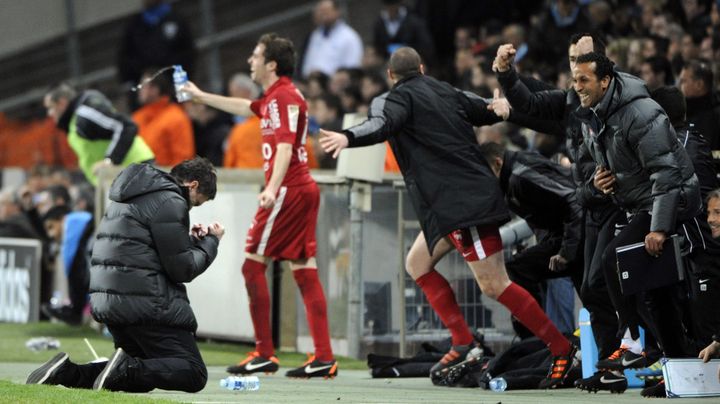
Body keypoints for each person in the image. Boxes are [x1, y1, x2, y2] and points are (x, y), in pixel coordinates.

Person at [319, 46, 577, 389]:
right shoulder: (445, 89)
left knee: (493, 285)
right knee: (417, 264)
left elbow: (382, 125)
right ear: (422, 69)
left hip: (463, 206)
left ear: (391, 77)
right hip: (451, 205)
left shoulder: (392, 99)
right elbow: (483, 109)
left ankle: (561, 349)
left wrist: (347, 137)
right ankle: (462, 342)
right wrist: (499, 109)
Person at [498, 47, 700, 393]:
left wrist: (659, 227)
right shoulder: (591, 115)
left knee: (615, 262)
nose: (577, 85)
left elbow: (667, 173)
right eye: (574, 78)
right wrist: (597, 183)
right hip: (638, 204)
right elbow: (602, 170)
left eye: (584, 79)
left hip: (671, 200)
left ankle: (636, 342)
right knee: (646, 289)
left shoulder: (640, 112)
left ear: (605, 81)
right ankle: (672, 371)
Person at [182, 33, 337, 378]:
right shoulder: (279, 95)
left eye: (255, 55)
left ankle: (265, 353)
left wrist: (273, 188)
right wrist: (200, 95)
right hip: (302, 189)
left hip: (288, 190)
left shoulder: (281, 97)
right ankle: (324, 356)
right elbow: (245, 108)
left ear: (271, 64)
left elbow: (283, 148)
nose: (250, 60)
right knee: (304, 270)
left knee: (253, 267)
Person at [491, 33, 624, 392]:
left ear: (604, 68)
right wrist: (506, 75)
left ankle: (657, 354)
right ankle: (609, 364)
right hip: (590, 205)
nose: (575, 70)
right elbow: (530, 102)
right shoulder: (570, 101)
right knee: (595, 290)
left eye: (583, 61)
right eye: (570, 61)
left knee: (614, 289)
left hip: (621, 205)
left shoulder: (624, 101)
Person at [26, 157, 224, 392]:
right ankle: (121, 368)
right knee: (193, 372)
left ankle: (66, 372)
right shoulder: (170, 200)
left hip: (113, 302)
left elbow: (143, 250)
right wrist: (211, 243)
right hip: (145, 303)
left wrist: (190, 241)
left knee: (133, 377)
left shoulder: (132, 196)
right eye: (197, 202)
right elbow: (182, 269)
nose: (192, 208)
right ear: (192, 185)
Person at [478, 142, 584, 339]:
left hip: (581, 230)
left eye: (485, 174)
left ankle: (540, 335)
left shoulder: (520, 175)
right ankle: (538, 336)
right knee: (521, 267)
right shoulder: (510, 183)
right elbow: (542, 219)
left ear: (498, 163)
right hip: (567, 233)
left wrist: (567, 251)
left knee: (519, 268)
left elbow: (573, 199)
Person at [43, 83, 156, 186]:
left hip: (135, 171)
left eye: (50, 108)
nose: (49, 113)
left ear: (62, 103)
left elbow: (126, 126)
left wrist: (110, 160)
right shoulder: (73, 122)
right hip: (121, 178)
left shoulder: (84, 114)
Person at [118, 0, 194, 110]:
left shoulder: (176, 20)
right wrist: (142, 79)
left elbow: (187, 55)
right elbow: (125, 59)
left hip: (173, 89)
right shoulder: (134, 24)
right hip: (142, 92)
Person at [40, 205, 94, 326]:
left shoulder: (72, 223)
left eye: (51, 227)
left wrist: (76, 307)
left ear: (62, 219)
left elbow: (72, 266)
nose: (51, 235)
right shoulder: (86, 221)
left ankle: (75, 311)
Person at [132, 68, 195, 166]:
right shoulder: (137, 117)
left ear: (155, 89)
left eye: (143, 86)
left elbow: (183, 158)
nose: (139, 89)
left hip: (165, 178)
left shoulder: (176, 117)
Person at [300, 0, 363, 78]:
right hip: (311, 84)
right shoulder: (314, 36)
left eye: (326, 11)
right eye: (320, 11)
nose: (322, 15)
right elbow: (306, 64)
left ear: (337, 12)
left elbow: (353, 67)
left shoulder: (349, 37)